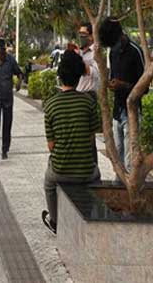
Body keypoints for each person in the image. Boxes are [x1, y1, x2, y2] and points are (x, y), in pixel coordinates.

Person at [41, 51, 101, 235]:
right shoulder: (88, 103)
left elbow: (51, 146)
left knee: (48, 184)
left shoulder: (50, 105)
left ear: (59, 77)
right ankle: (94, 215)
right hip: (86, 172)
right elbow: (91, 137)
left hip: (60, 171)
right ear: (79, 77)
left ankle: (56, 221)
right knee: (97, 178)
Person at [98, 17, 146, 171]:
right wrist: (111, 84)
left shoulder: (135, 51)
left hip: (131, 112)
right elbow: (114, 77)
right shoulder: (113, 52)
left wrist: (123, 85)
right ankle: (120, 185)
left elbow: (144, 86)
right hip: (117, 111)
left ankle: (131, 190)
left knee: (130, 160)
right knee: (117, 157)